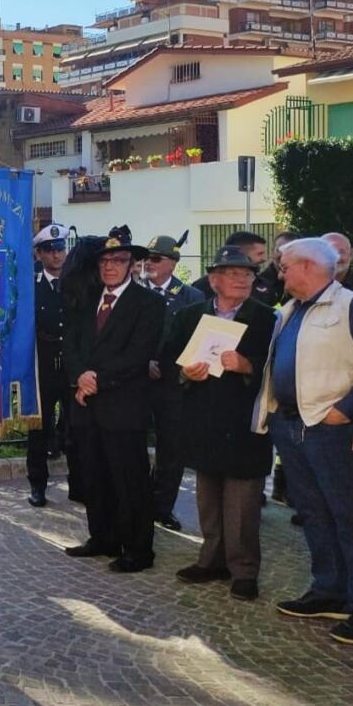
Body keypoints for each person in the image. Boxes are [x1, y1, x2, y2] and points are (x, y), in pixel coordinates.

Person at [254, 237, 353, 645]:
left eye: (284, 267)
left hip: (334, 429)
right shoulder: (290, 311)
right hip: (293, 428)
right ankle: (328, 591)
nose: (279, 274)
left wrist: (349, 407)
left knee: (351, 518)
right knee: (315, 515)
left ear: (307, 267)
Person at [165, 246, 276, 601]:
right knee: (208, 498)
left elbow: (278, 369)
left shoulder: (267, 319)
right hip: (203, 420)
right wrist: (184, 373)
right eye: (233, 273)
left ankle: (244, 570)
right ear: (213, 280)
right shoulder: (188, 316)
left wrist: (247, 366)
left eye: (247, 274)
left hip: (244, 423)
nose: (243, 279)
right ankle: (211, 559)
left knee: (243, 502)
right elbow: (167, 360)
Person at [62, 227, 164, 573]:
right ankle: (103, 538)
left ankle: (138, 549)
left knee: (129, 480)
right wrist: (79, 376)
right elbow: (71, 345)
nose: (110, 267)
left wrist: (97, 380)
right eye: (104, 261)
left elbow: (138, 355)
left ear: (131, 264)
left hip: (123, 407)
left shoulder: (148, 303)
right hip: (87, 405)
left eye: (118, 260)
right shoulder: (87, 299)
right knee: (94, 476)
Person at [140, 234, 205, 531]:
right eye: (145, 259)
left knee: (171, 450)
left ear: (173, 263)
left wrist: (174, 369)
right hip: (136, 382)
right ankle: (136, 501)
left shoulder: (190, 297)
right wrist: (144, 362)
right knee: (133, 445)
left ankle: (162, 507)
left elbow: (197, 341)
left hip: (173, 385)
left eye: (155, 259)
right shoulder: (133, 292)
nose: (148, 264)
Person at [28, 223, 70, 507]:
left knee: (77, 427)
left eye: (60, 249)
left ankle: (79, 482)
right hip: (40, 362)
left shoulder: (77, 284)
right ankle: (37, 486)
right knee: (38, 429)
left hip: (71, 362)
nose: (57, 255)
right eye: (50, 250)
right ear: (39, 254)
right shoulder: (30, 287)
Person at [192, 230, 272, 301]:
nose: (265, 258)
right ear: (240, 253)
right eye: (260, 254)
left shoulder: (264, 286)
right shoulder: (201, 287)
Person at [323, 232, 353, 297]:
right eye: (329, 252)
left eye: (341, 252)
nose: (336, 258)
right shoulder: (306, 286)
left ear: (351, 254)